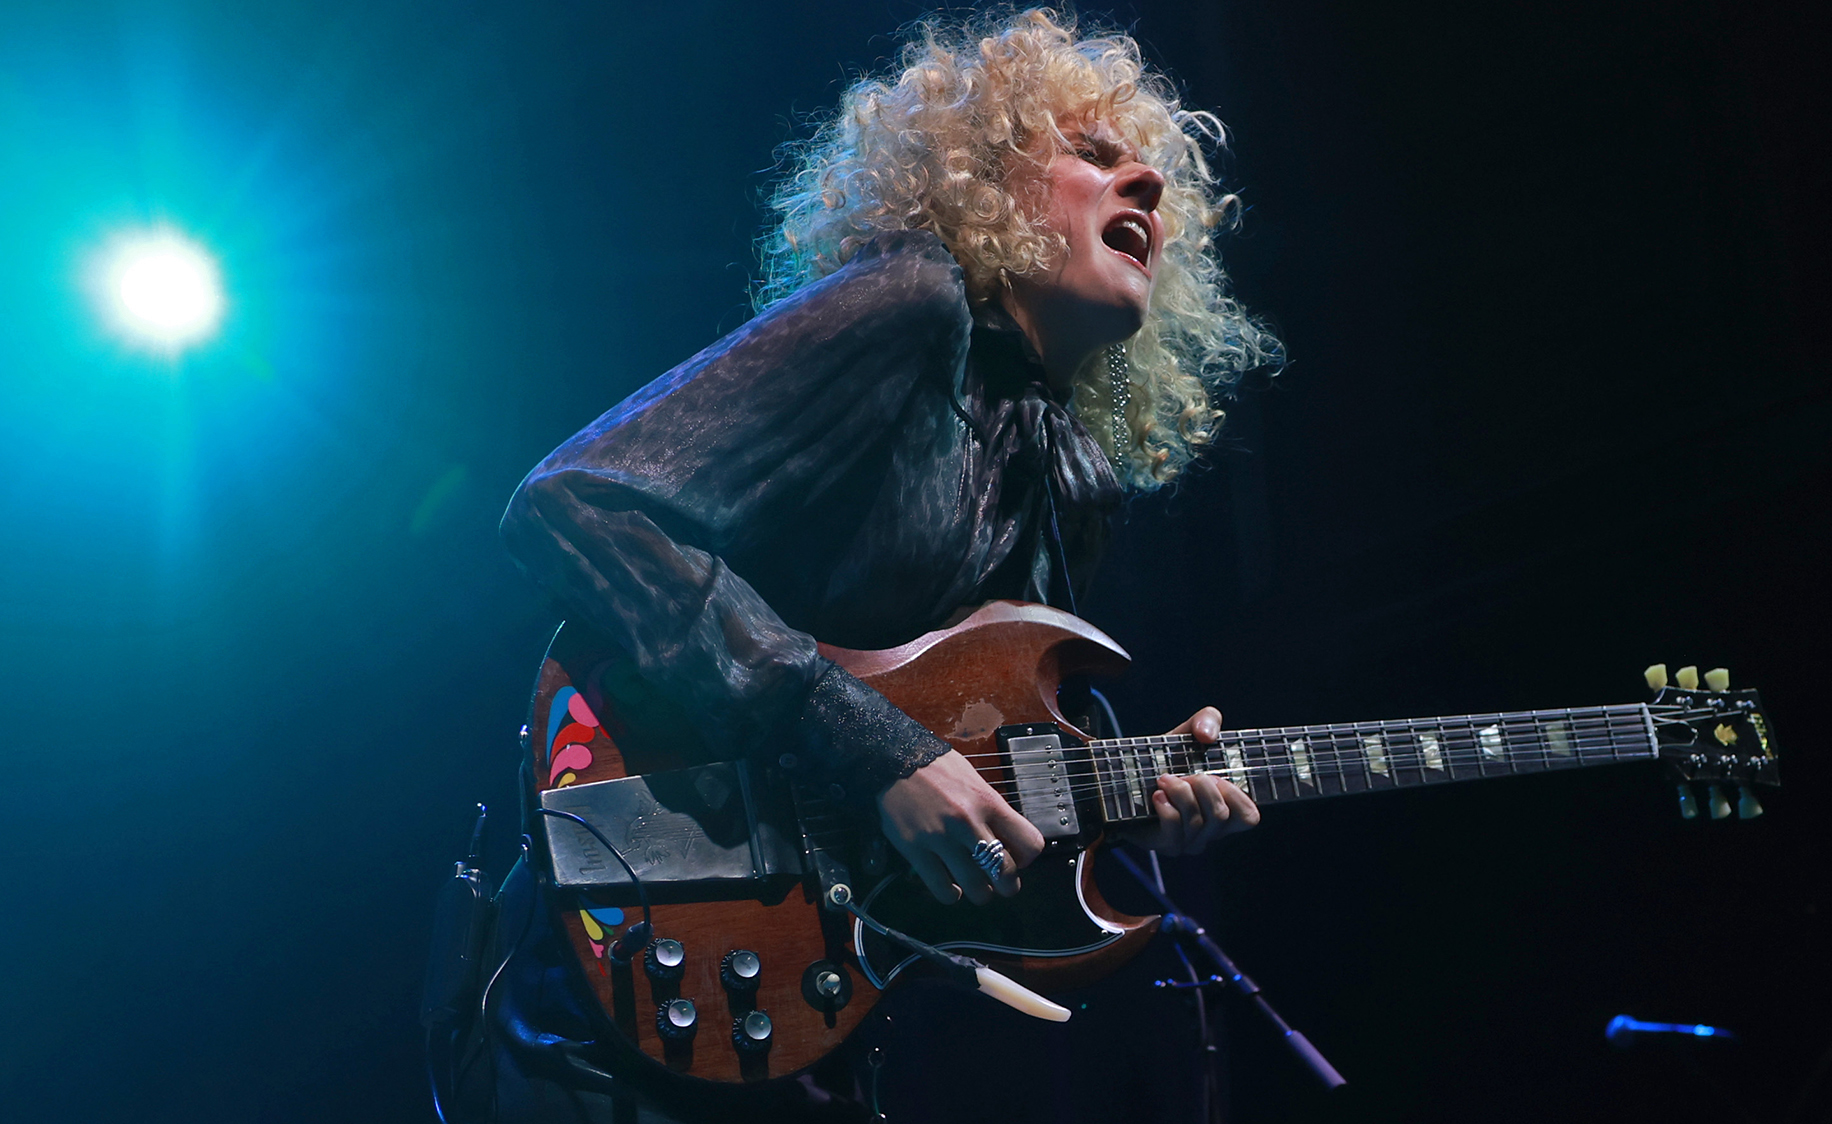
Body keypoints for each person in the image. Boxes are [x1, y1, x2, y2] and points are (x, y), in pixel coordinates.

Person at [468, 8, 1283, 1122]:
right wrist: (877, 747)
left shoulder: (1062, 477)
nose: (1143, 178)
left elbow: (959, 777)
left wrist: (1126, 801)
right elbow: (574, 504)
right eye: (1092, 154)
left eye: (1146, 172)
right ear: (985, 188)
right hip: (631, 960)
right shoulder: (913, 303)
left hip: (802, 1028)